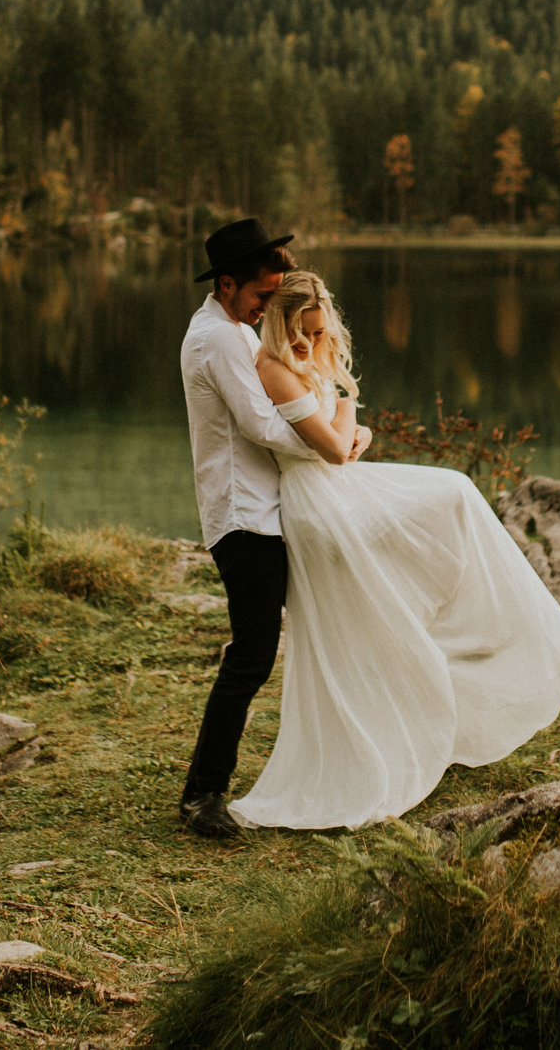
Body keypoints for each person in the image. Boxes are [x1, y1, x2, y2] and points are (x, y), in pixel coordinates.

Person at [228, 269, 560, 831]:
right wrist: (347, 400)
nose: (314, 342)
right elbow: (331, 448)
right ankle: (439, 656)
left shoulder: (302, 360)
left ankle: (476, 630)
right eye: (304, 332)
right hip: (319, 503)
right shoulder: (275, 368)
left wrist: (352, 426)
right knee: (451, 493)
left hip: (337, 488)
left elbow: (347, 440)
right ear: (282, 326)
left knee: (454, 495)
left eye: (321, 330)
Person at [175, 217, 365, 839]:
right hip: (243, 517)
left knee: (265, 649)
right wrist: (334, 443)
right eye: (260, 295)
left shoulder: (228, 330)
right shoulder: (219, 340)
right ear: (227, 284)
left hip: (263, 512)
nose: (266, 309)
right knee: (252, 655)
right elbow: (262, 426)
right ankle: (202, 795)